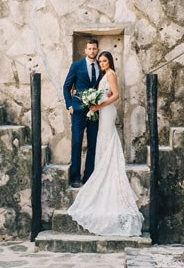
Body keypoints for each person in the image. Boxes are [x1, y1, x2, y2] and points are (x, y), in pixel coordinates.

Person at [67, 51, 143, 236]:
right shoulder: (103, 75)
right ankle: (101, 169)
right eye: (100, 61)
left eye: (104, 60)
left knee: (106, 139)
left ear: (110, 61)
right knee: (102, 140)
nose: (102, 63)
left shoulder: (111, 74)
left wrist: (98, 106)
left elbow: (115, 95)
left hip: (107, 112)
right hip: (102, 112)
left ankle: (106, 171)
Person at [63, 38, 101, 188]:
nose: (92, 51)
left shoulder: (101, 65)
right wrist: (69, 105)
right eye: (89, 49)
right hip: (78, 111)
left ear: (97, 50)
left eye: (94, 49)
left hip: (95, 111)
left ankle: (89, 176)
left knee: (93, 144)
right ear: (86, 50)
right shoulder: (76, 65)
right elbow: (66, 86)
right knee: (77, 142)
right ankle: (75, 177)